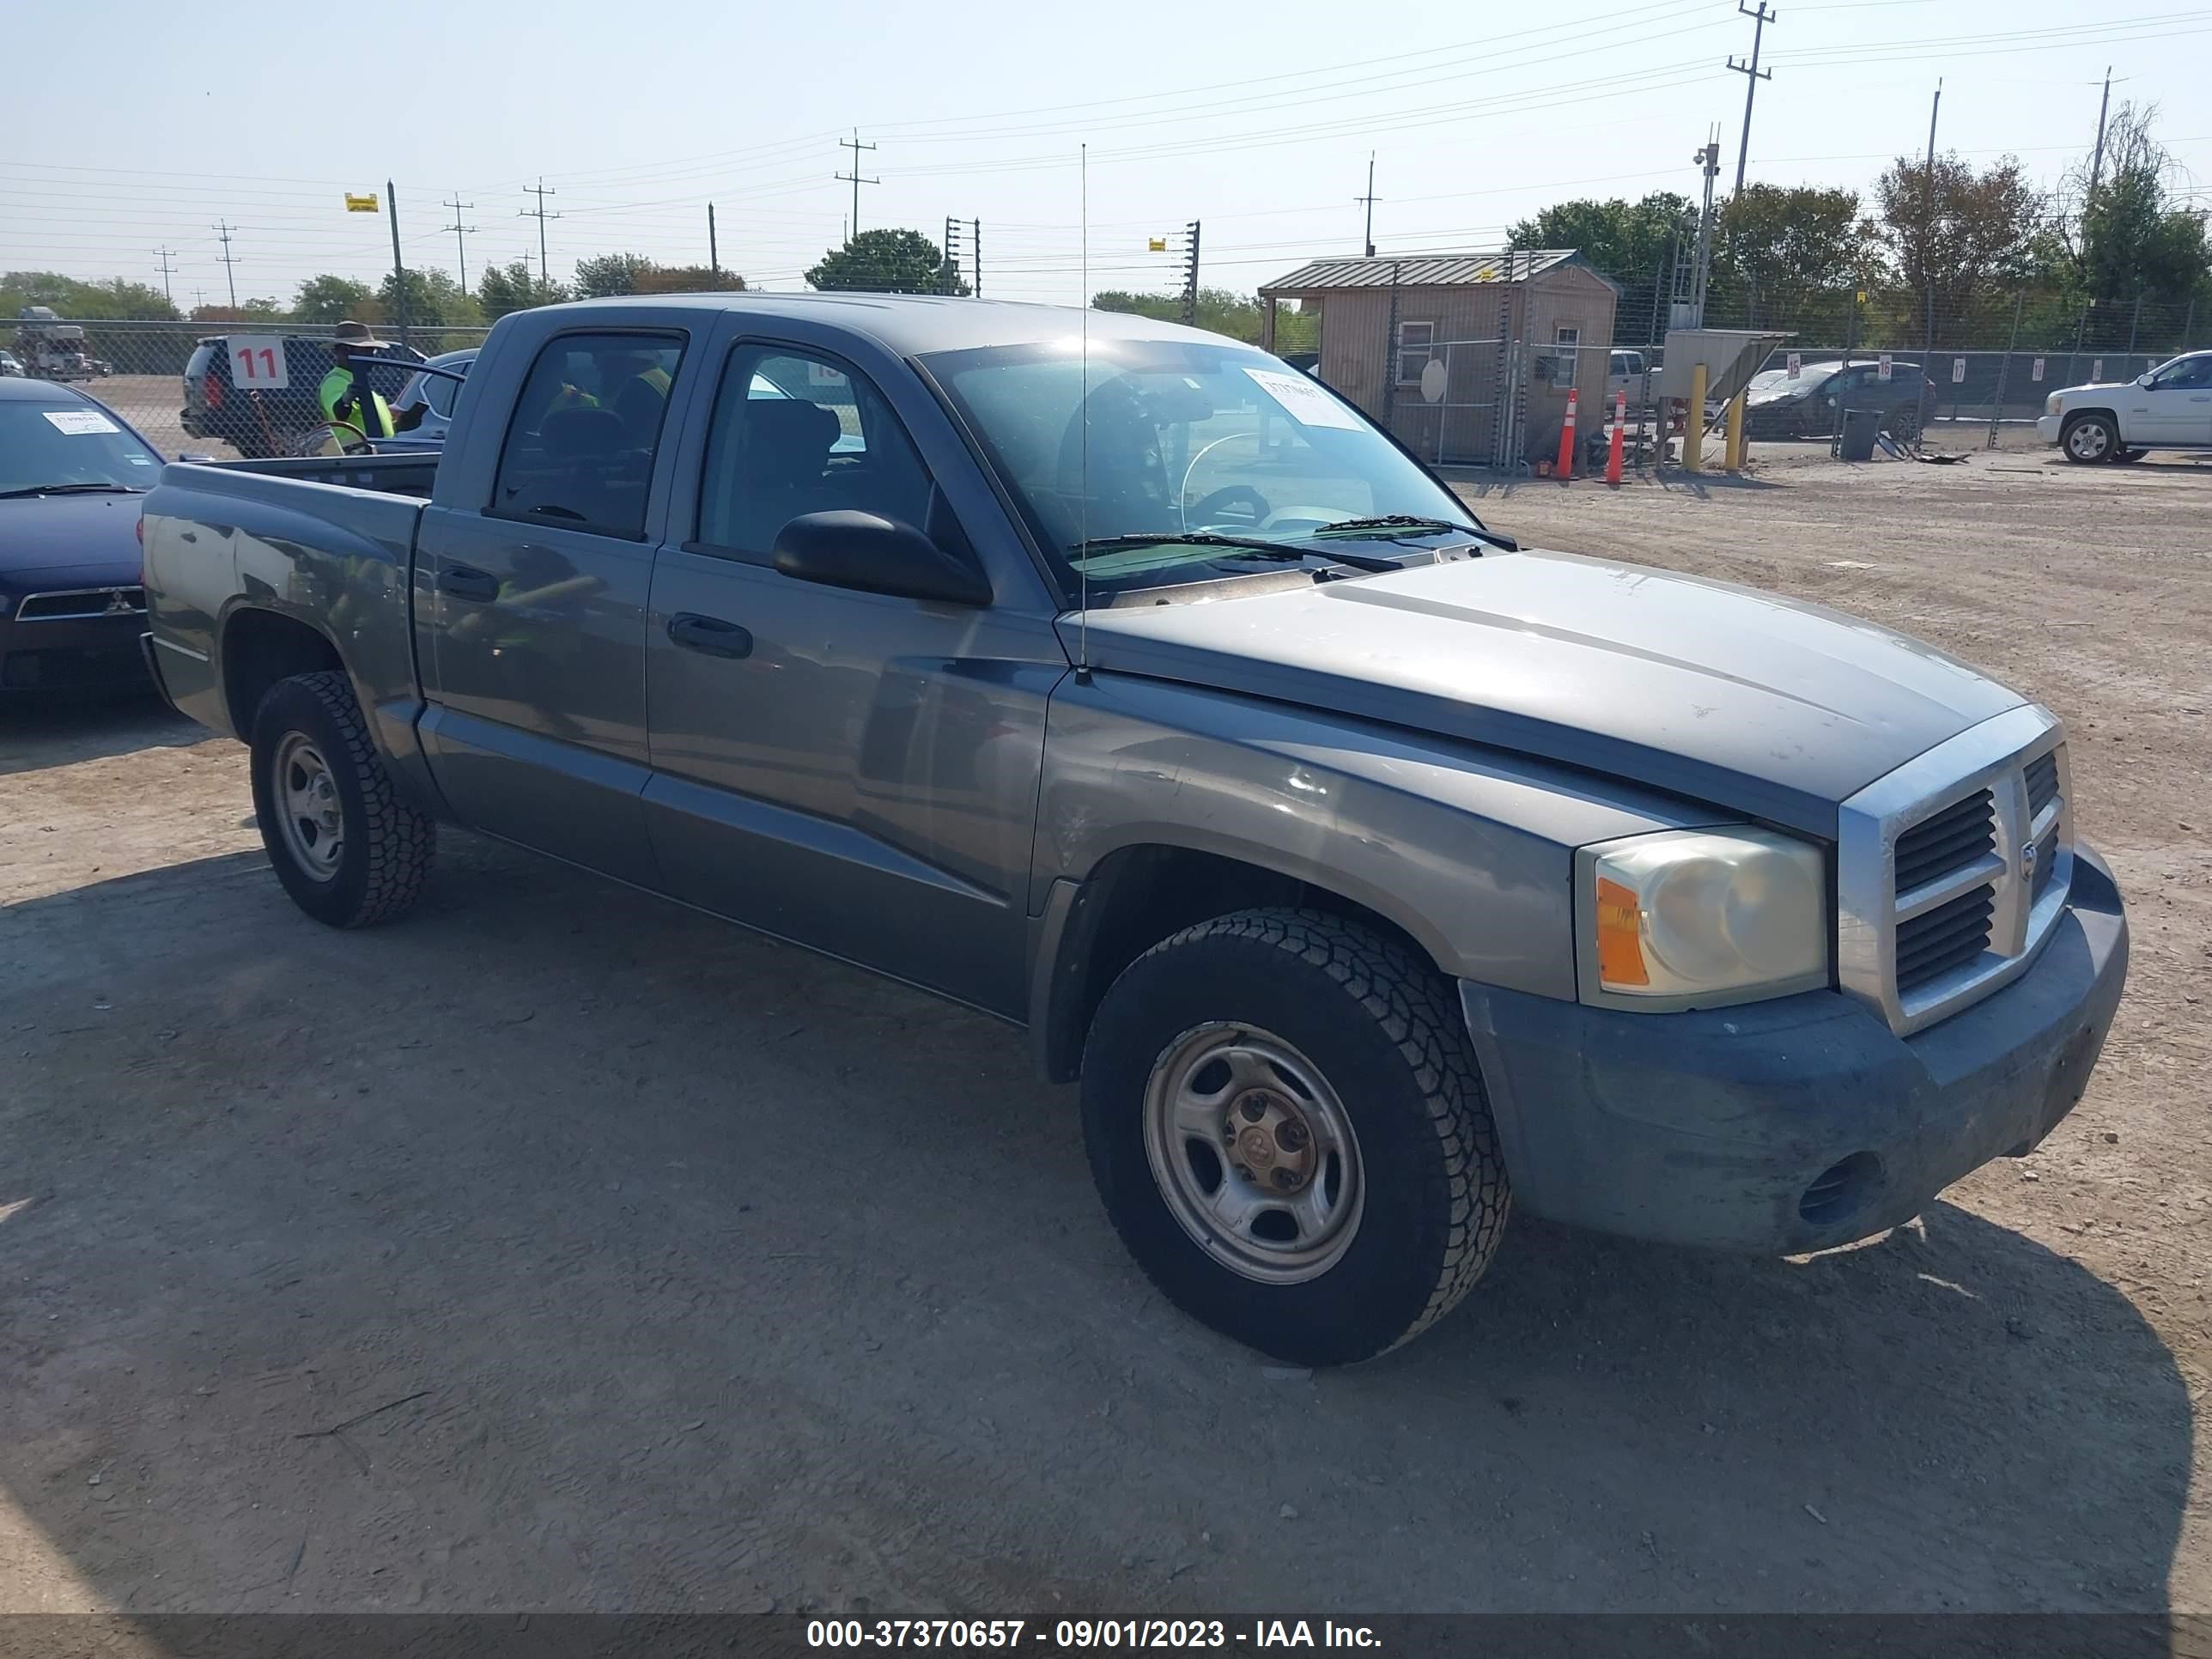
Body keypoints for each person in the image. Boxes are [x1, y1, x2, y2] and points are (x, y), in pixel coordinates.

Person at [318, 319, 397, 444]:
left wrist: (404, 423)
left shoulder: (357, 381)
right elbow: (339, 413)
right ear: (345, 351)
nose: (372, 355)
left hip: (378, 452)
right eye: (367, 350)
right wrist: (346, 399)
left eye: (373, 351)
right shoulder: (335, 381)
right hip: (357, 455)